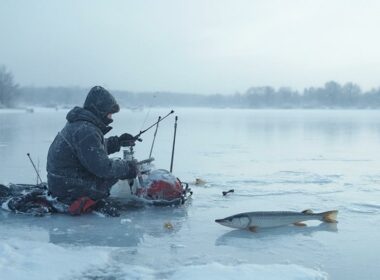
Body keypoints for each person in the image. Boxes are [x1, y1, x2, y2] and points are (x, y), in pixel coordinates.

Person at [47, 86, 138, 216]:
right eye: (109, 113)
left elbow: (91, 151)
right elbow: (103, 168)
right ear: (99, 110)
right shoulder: (87, 130)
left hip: (61, 183)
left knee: (115, 168)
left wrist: (117, 142)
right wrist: (128, 168)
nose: (111, 117)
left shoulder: (81, 125)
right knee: (111, 174)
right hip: (69, 189)